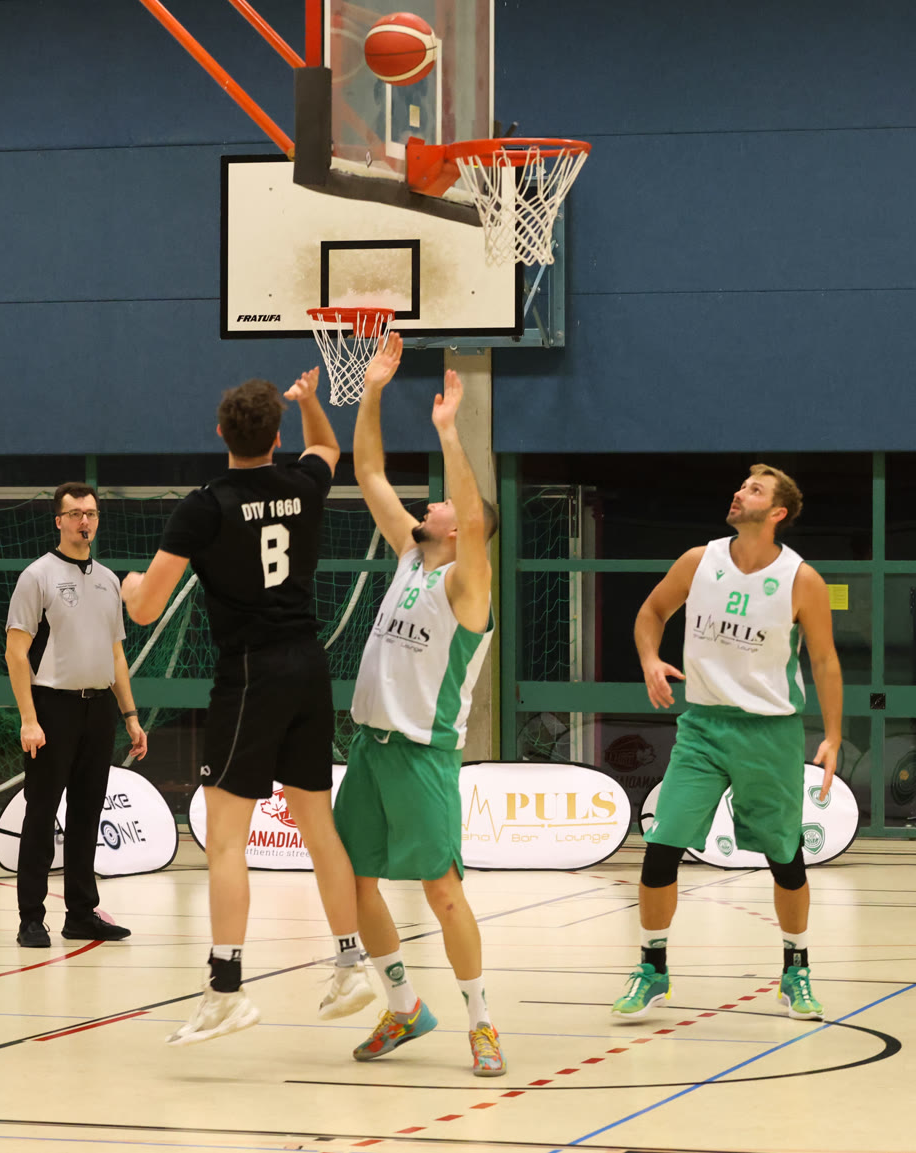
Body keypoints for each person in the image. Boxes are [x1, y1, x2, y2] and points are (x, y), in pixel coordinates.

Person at [121, 371, 373, 1045]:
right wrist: (311, 401)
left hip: (251, 672)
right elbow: (329, 449)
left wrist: (129, 586)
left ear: (220, 433)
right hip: (308, 665)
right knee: (318, 825)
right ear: (277, 437)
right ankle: (351, 964)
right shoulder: (302, 483)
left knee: (228, 840)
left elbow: (146, 608)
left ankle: (227, 989)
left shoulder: (205, 506)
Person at [609, 464, 844, 1024]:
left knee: (784, 857)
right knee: (662, 845)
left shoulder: (801, 579)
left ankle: (795, 970)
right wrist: (650, 659)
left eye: (754, 490)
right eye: (741, 486)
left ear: (778, 512)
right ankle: (652, 967)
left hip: (770, 732)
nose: (739, 493)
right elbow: (651, 613)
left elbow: (825, 661)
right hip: (703, 727)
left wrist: (834, 735)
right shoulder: (699, 560)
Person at [337, 336, 506, 1076]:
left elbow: (466, 504)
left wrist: (449, 433)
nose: (430, 504)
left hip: (423, 756)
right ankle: (404, 1005)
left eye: (442, 505)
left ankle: (481, 1021)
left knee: (442, 892)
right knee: (353, 883)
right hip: (369, 750)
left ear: (463, 530)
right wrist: (373, 388)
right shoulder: (410, 555)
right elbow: (368, 471)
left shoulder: (466, 587)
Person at [2, 481, 146, 949]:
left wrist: (130, 715)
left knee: (87, 813)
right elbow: (16, 653)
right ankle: (30, 918)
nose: (85, 521)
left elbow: (116, 655)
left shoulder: (107, 580)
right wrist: (29, 719)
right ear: (59, 521)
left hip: (98, 710)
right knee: (42, 813)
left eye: (92, 513)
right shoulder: (37, 577)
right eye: (76, 514)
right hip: (52, 709)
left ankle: (82, 914)